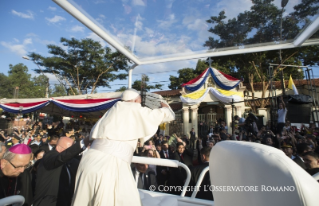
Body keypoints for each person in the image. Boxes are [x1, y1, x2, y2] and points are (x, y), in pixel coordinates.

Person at [72, 89, 175, 206]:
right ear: (137, 100)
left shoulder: (111, 111)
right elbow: (169, 115)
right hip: (110, 163)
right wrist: (164, 104)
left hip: (89, 161)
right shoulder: (134, 109)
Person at [33, 136, 88, 206]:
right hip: (48, 203)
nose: (71, 152)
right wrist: (83, 143)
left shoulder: (70, 162)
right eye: (70, 149)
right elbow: (61, 158)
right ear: (58, 148)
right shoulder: (50, 156)